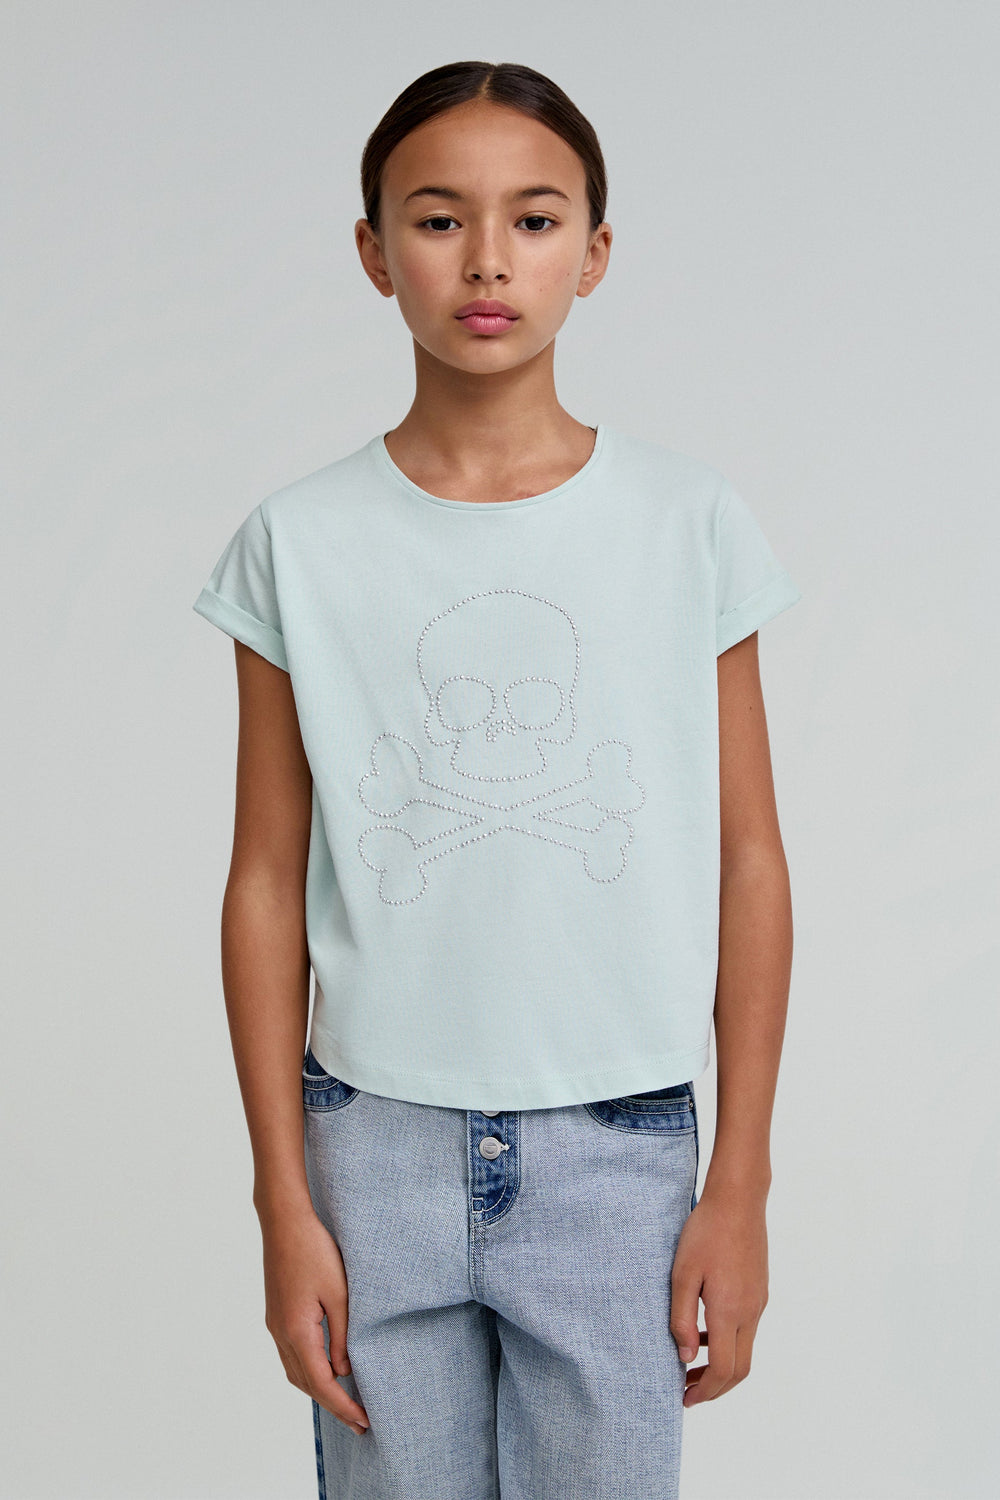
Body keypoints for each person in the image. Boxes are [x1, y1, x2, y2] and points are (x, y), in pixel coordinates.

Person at [192, 58, 801, 1500]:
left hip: (621, 1147)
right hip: (371, 1149)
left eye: (534, 220)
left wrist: (742, 1182)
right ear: (373, 252)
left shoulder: (687, 523)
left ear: (594, 252)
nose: (485, 260)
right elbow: (266, 878)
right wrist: (283, 1197)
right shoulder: (299, 542)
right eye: (437, 219)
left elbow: (749, 859)